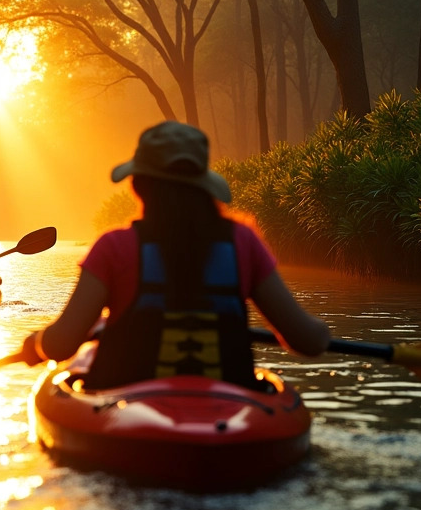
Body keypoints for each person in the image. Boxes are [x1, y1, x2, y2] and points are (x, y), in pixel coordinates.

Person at [20, 121, 330, 390]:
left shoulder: (114, 247)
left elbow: (61, 345)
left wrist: (35, 344)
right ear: (204, 187)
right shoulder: (243, 243)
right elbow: (309, 341)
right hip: (226, 409)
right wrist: (323, 330)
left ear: (139, 186)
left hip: (127, 405)